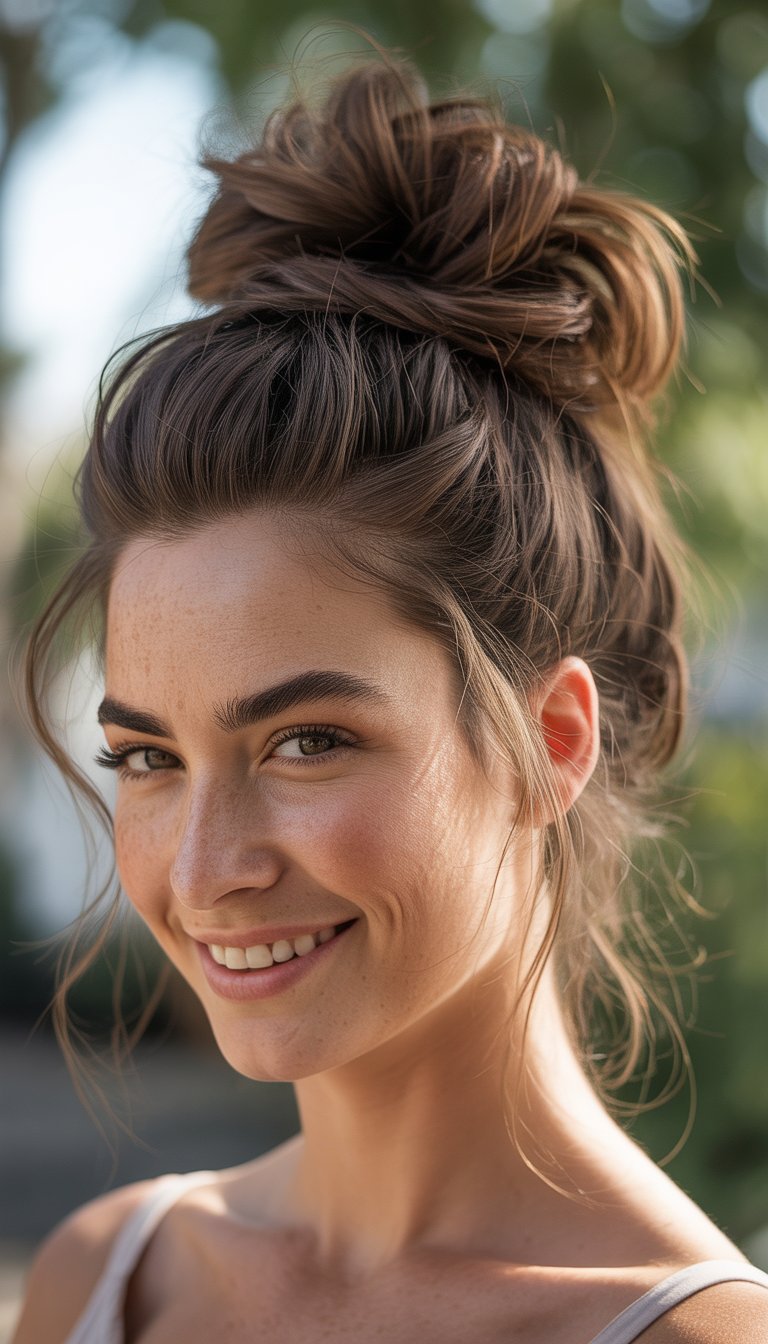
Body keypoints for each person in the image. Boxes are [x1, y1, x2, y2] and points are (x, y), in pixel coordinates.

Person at [12, 51, 768, 1344]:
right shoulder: (112, 1279)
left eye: (307, 741)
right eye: (149, 758)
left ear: (551, 741)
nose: (204, 870)